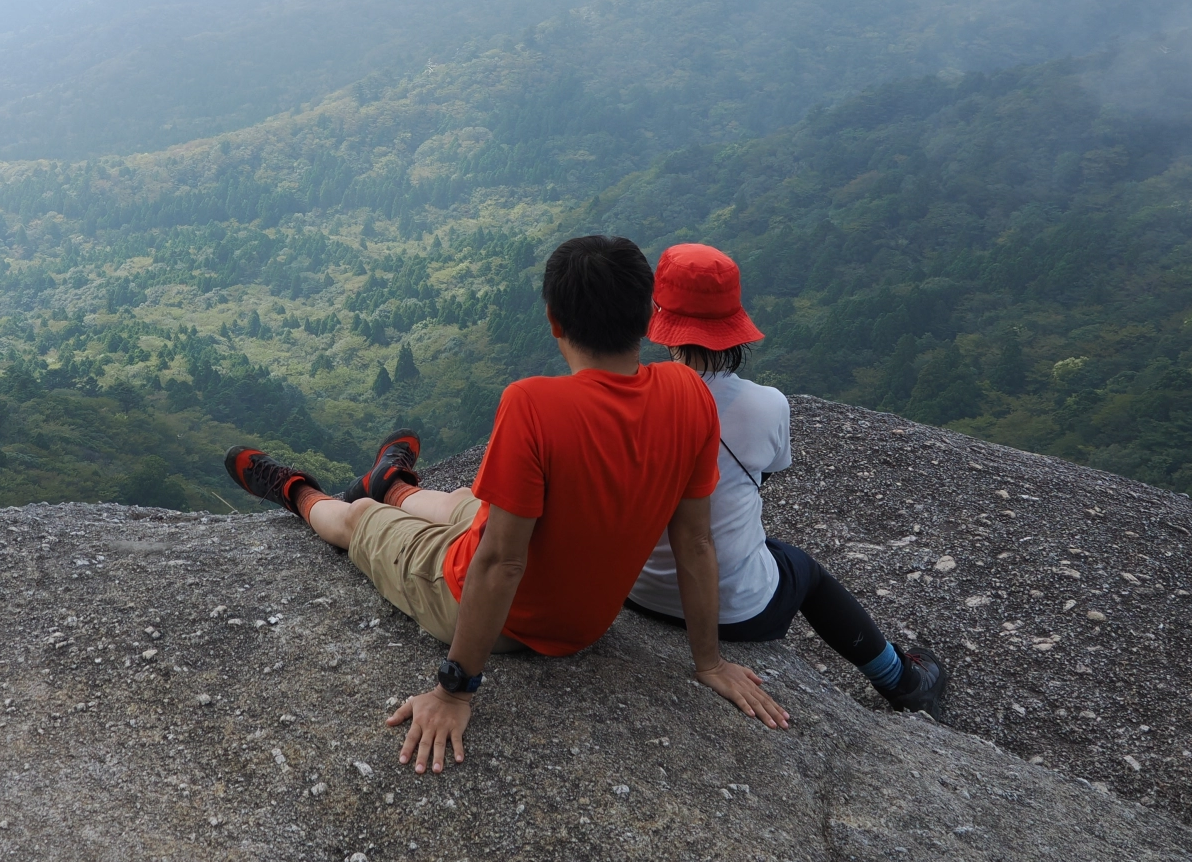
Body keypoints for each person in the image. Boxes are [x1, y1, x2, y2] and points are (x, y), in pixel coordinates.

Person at [222, 233, 789, 776]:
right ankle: (392, 481)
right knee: (469, 503)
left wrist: (453, 690)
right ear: (647, 320)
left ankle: (297, 491)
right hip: (588, 621)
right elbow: (695, 539)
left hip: (502, 616)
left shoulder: (534, 404)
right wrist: (708, 663)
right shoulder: (690, 393)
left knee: (361, 520)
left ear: (553, 321)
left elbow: (501, 563)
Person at [624, 242, 948, 719]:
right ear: (734, 323)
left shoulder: (627, 395)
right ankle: (902, 680)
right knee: (805, 572)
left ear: (660, 318)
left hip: (635, 592)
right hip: (734, 613)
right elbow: (769, 470)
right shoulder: (767, 405)